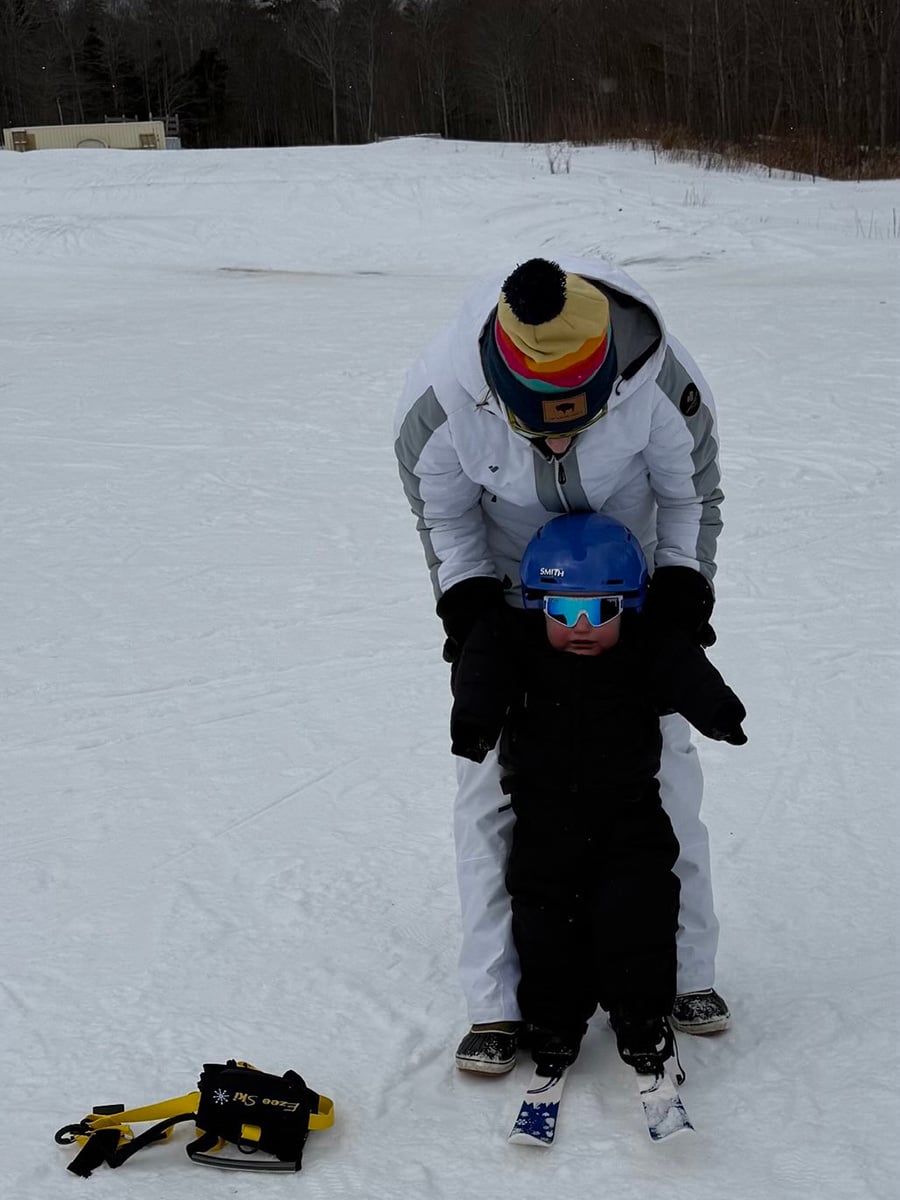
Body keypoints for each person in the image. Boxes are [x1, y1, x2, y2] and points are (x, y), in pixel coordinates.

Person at [394, 255, 731, 1073]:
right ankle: (498, 1003)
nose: (555, 441)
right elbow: (443, 519)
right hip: (519, 594)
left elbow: (690, 495)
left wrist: (680, 594)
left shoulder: (660, 380)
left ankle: (688, 974)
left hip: (626, 590)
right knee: (488, 790)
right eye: (535, 425)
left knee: (664, 775)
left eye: (576, 423)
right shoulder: (438, 405)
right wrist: (473, 614)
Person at [449, 512, 747, 1081]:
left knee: (639, 913)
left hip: (630, 819)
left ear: (629, 606)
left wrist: (719, 713)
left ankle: (640, 1015)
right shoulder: (520, 647)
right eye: (563, 611)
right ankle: (553, 1023)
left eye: (600, 609)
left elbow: (686, 669)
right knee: (544, 924)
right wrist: (474, 727)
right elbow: (482, 674)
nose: (581, 626)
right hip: (544, 823)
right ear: (538, 606)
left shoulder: (643, 646)